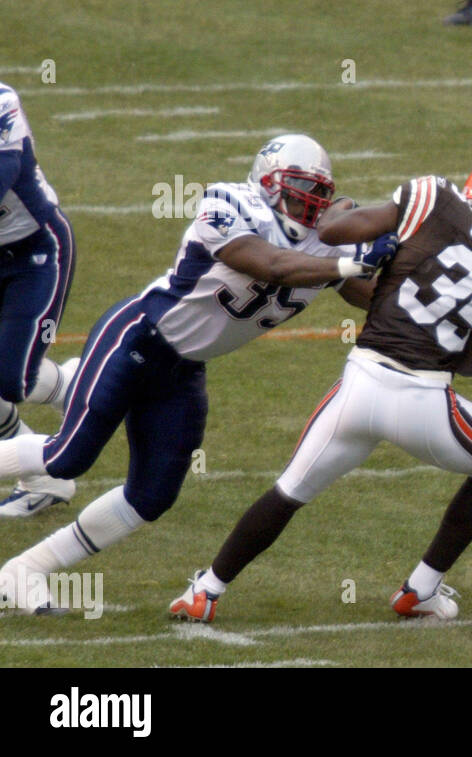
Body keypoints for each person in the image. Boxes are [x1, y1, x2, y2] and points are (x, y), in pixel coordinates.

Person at [0, 134, 392, 614]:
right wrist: (351, 259)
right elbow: (269, 264)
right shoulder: (230, 202)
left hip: (183, 370)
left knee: (151, 496)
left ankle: (25, 569)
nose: (309, 203)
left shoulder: (320, 240)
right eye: (298, 188)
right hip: (137, 339)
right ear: (268, 183)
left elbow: (366, 292)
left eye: (317, 192)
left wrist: (409, 287)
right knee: (67, 457)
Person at [169, 158, 472, 623]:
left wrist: (348, 218)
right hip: (423, 401)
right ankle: (420, 589)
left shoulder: (433, 196)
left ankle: (206, 590)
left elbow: (331, 232)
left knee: (290, 490)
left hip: (360, 383)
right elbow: (466, 361)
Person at [0, 81, 80, 516]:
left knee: (11, 381)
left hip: (35, 251)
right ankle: (44, 478)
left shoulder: (2, 101)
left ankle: (80, 386)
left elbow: (3, 172)